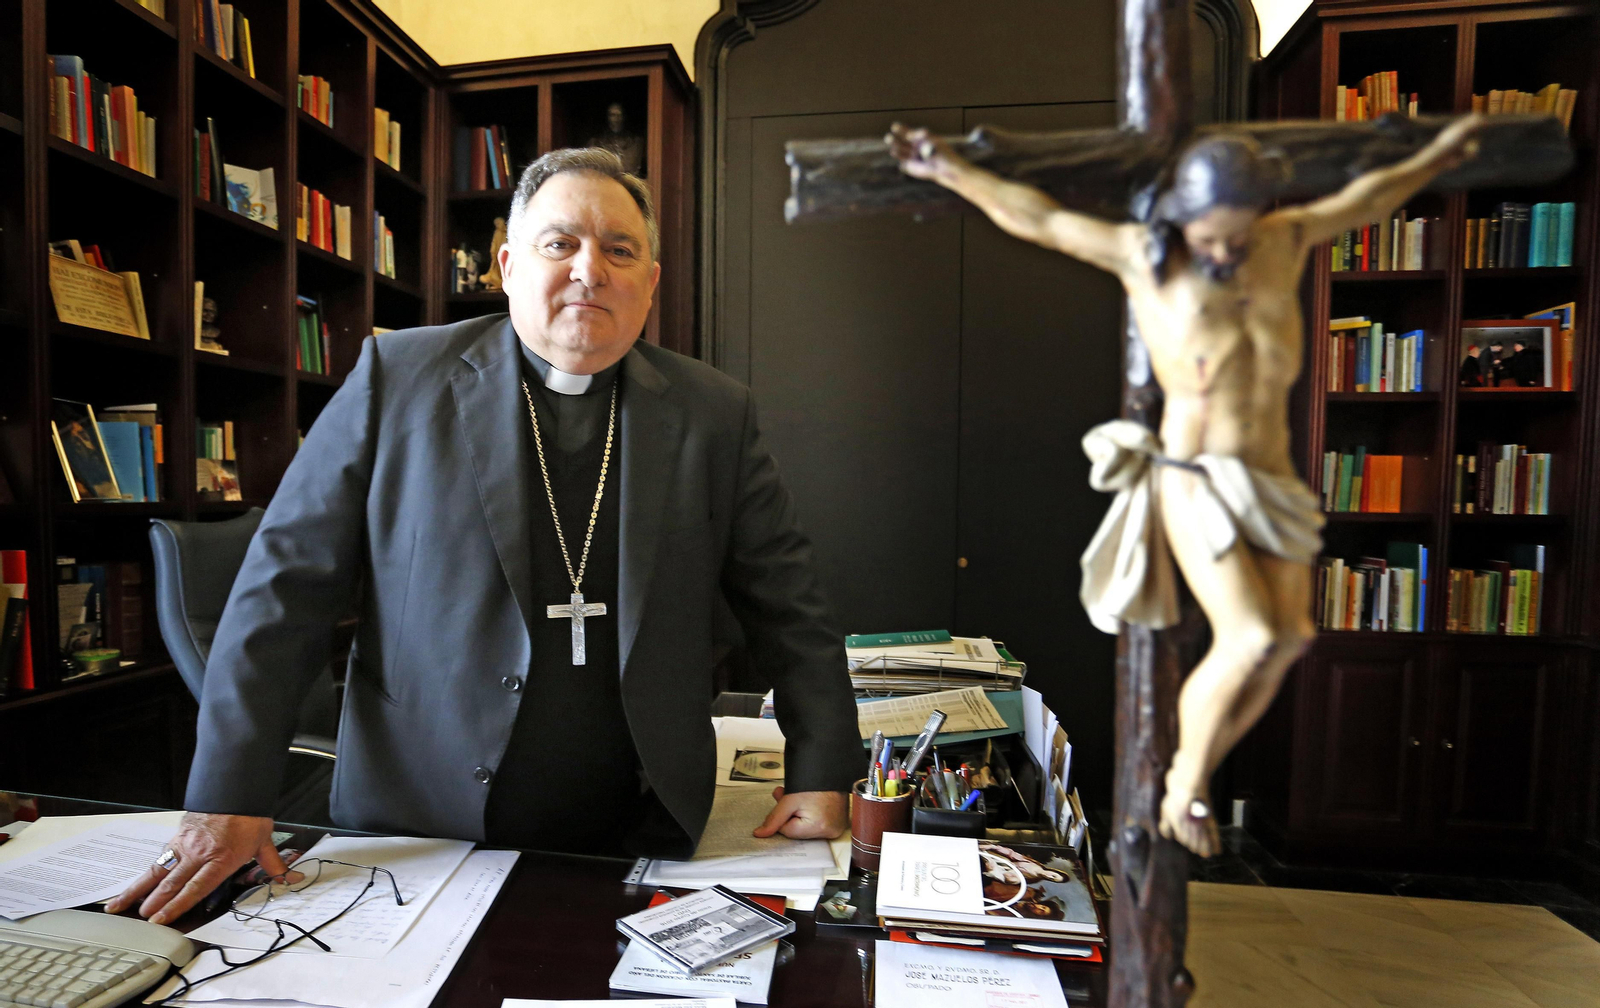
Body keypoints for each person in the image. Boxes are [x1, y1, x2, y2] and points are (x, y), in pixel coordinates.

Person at [110, 147, 857, 925]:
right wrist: (228, 795)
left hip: (636, 819)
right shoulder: (396, 377)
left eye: (619, 250)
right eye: (560, 243)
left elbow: (788, 602)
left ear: (651, 282)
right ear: (507, 264)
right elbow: (283, 592)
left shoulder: (713, 412)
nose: (589, 269)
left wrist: (822, 768)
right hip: (416, 821)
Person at [888, 114, 1487, 856]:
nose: (1226, 251)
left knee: (1292, 638)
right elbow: (1040, 219)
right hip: (1196, 478)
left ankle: (1190, 776)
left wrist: (1437, 156)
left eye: (1239, 234)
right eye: (1211, 236)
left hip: (1269, 478)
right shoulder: (1148, 257)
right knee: (1253, 634)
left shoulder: (1285, 238)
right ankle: (1187, 786)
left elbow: (1371, 196)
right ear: (1179, 216)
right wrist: (948, 169)